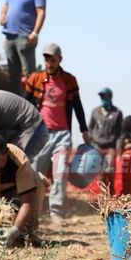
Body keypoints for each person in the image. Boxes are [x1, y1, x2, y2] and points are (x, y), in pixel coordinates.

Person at [25, 42, 91, 223]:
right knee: (35, 173)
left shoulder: (69, 80)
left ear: (59, 59)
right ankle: (32, 210)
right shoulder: (36, 79)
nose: (49, 63)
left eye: (52, 59)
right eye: (46, 59)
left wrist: (84, 130)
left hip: (62, 135)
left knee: (60, 173)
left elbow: (77, 106)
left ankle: (56, 212)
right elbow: (26, 104)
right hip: (41, 134)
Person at [0, 0, 46, 95]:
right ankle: (18, 102)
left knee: (30, 75)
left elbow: (41, 12)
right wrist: (3, 16)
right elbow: (6, 5)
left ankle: (33, 102)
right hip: (9, 36)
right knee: (13, 75)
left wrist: (35, 33)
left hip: (25, 36)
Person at [88, 87, 123, 192]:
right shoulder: (95, 111)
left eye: (105, 96)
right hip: (98, 146)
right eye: (101, 96)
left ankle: (111, 192)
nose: (103, 98)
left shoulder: (117, 113)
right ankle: (104, 196)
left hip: (110, 147)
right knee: (101, 172)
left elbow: (120, 133)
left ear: (110, 97)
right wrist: (91, 143)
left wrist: (118, 148)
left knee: (110, 171)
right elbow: (90, 128)